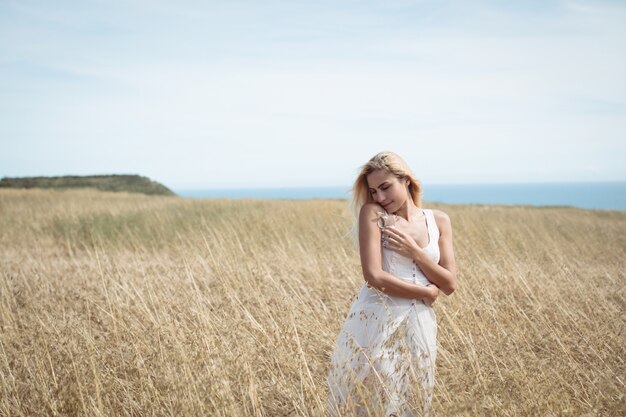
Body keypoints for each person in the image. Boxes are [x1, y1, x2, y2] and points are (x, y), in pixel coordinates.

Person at [327, 151, 458, 417]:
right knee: (377, 402)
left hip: (421, 323)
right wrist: (424, 291)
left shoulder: (439, 220)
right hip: (379, 320)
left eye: (386, 187)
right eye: (374, 191)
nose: (380, 198)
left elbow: (449, 283)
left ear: (406, 180)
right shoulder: (373, 214)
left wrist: (417, 253)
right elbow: (373, 276)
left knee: (416, 401)